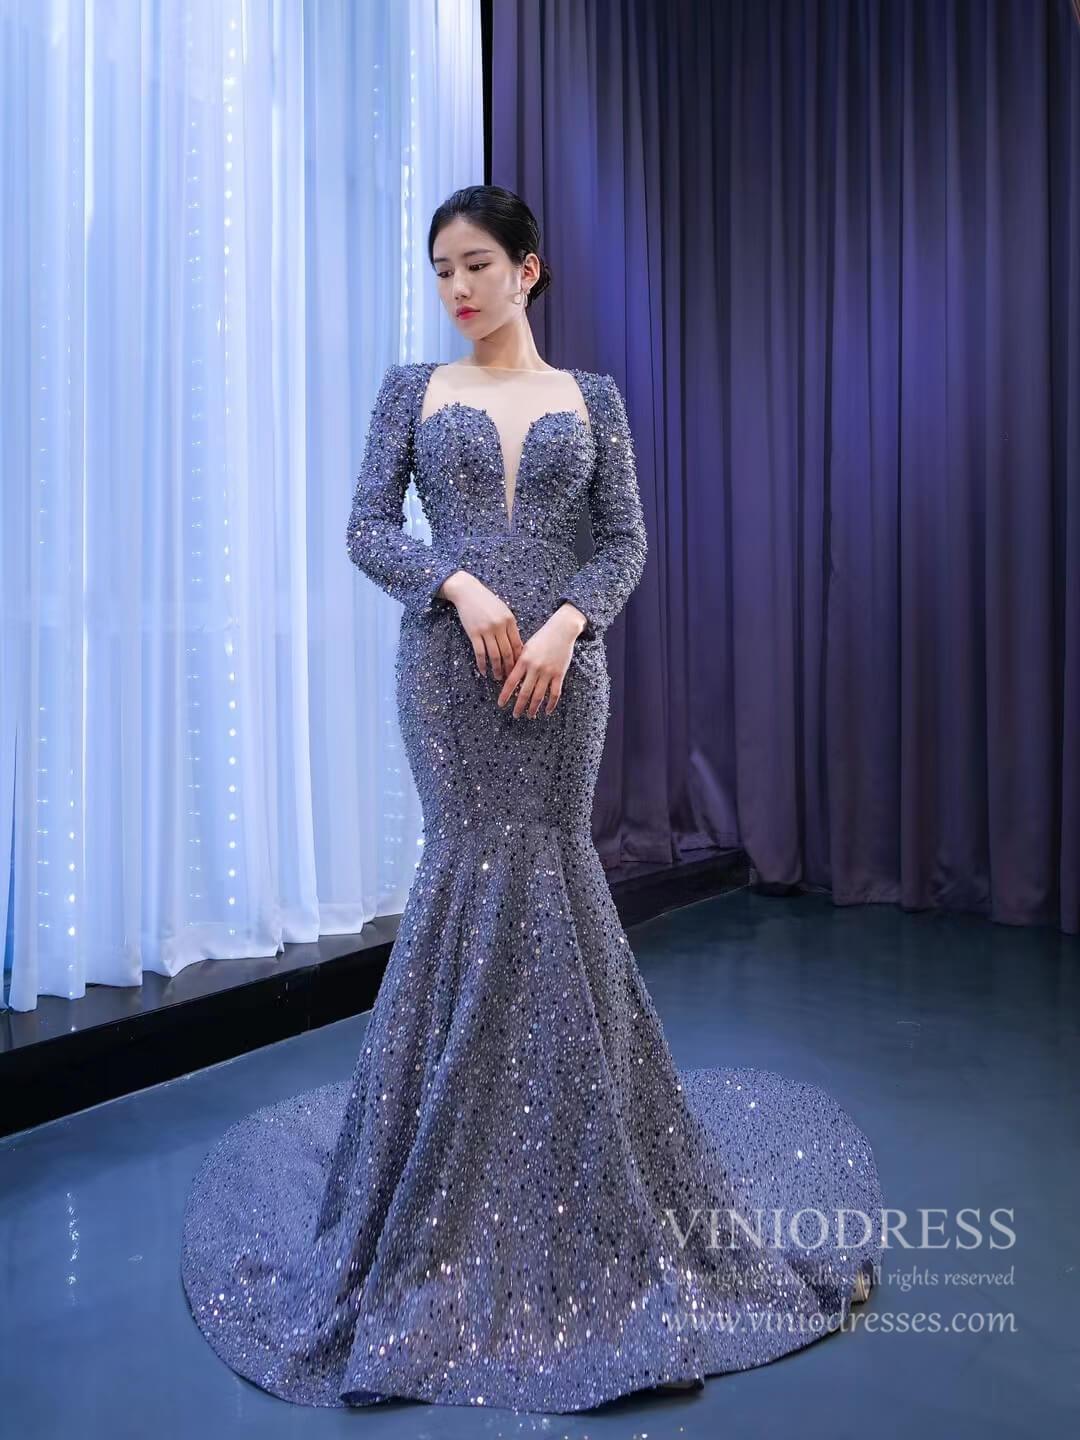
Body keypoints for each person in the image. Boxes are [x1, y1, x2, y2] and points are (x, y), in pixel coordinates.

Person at [181, 185, 883, 1413]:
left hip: (566, 677)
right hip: (446, 676)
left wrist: (568, 621)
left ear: (529, 269)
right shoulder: (412, 391)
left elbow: (626, 542)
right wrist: (457, 585)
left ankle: (585, 1165)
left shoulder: (591, 400)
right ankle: (434, 1172)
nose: (456, 289)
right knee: (464, 868)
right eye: (441, 270)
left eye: (476, 265)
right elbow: (366, 528)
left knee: (555, 874)